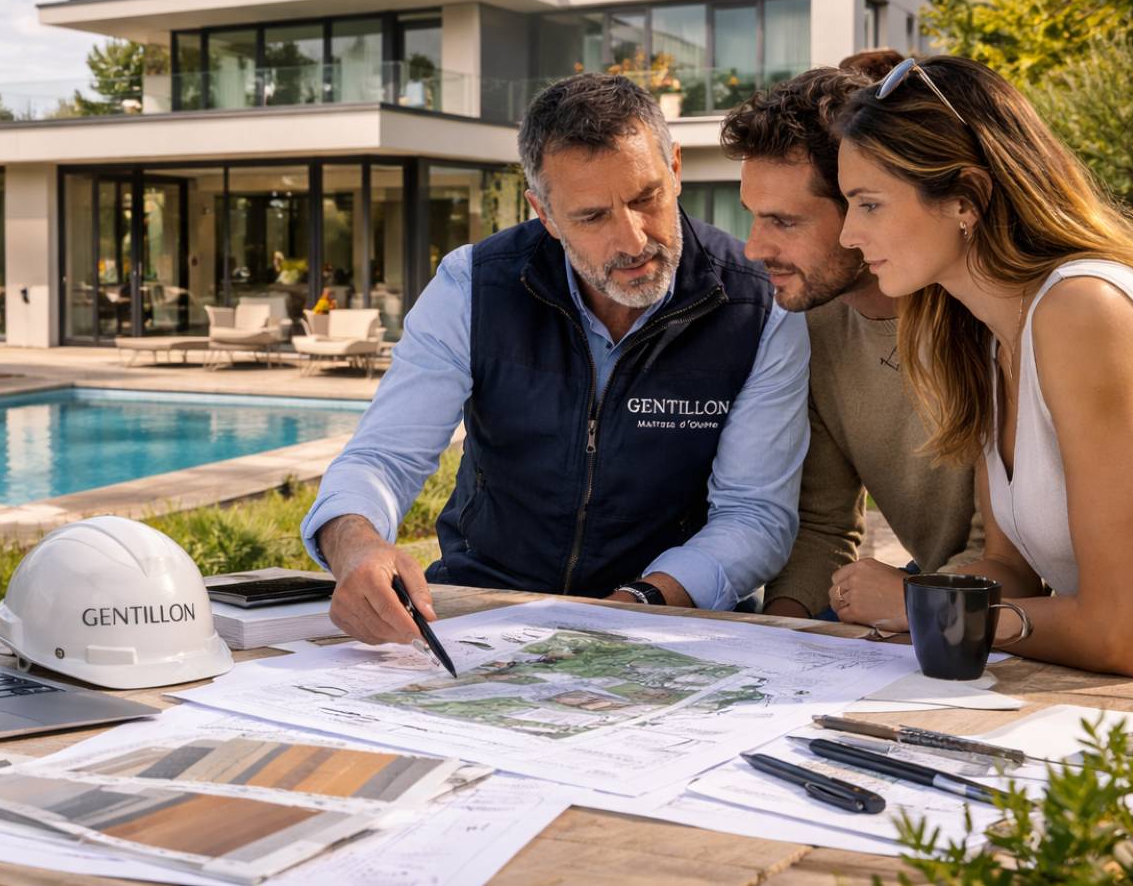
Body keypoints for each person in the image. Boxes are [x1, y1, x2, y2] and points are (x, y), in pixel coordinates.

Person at [301, 73, 810, 645]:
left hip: (669, 619)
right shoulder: (472, 286)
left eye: (646, 198)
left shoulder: (759, 306)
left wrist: (636, 602)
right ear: (543, 212)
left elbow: (754, 517)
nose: (634, 239)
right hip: (487, 607)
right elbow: (383, 457)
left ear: (675, 168)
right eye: (592, 217)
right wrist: (356, 545)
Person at [834, 54, 1133, 677]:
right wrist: (929, 595)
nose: (848, 235)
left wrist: (921, 605)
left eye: (868, 204)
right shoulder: (989, 341)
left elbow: (1125, 633)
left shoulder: (1085, 310)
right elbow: (1012, 571)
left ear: (967, 198)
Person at [723, 65, 983, 622]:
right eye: (752, 217)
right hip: (934, 605)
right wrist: (778, 639)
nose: (752, 249)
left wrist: (915, 605)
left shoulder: (985, 317)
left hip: (1022, 622)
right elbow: (821, 525)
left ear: (862, 205)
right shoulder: (811, 325)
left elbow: (1008, 559)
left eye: (783, 222)